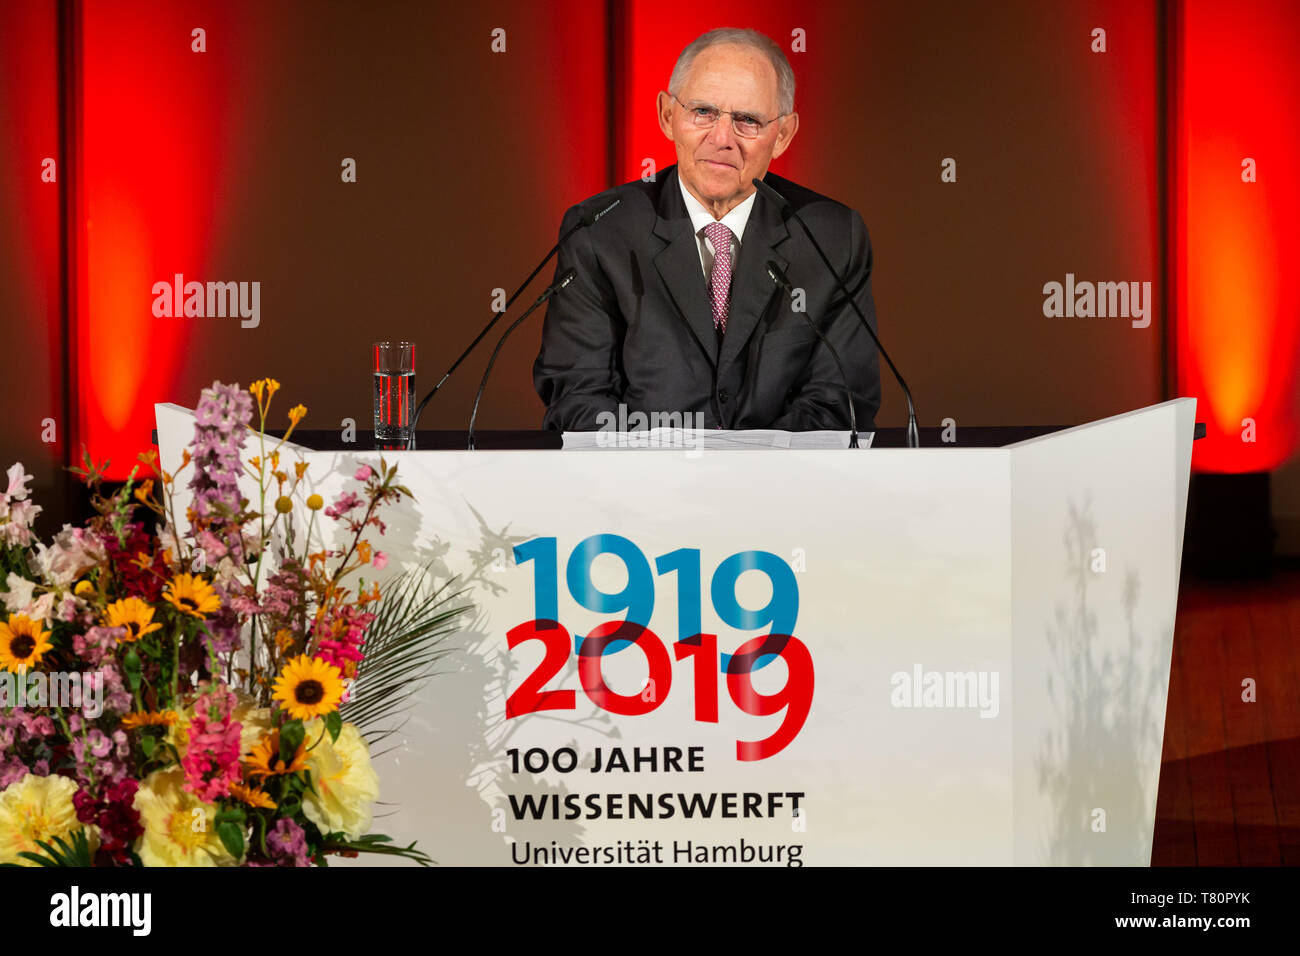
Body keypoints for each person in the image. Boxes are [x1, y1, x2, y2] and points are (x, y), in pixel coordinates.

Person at [533, 27, 881, 432]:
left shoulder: (832, 238)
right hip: (642, 487)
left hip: (781, 489)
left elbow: (840, 403)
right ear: (668, 116)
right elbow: (578, 398)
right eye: (703, 112)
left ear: (783, 135)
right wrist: (673, 476)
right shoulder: (599, 231)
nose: (722, 139)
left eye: (747, 120)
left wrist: (746, 479)